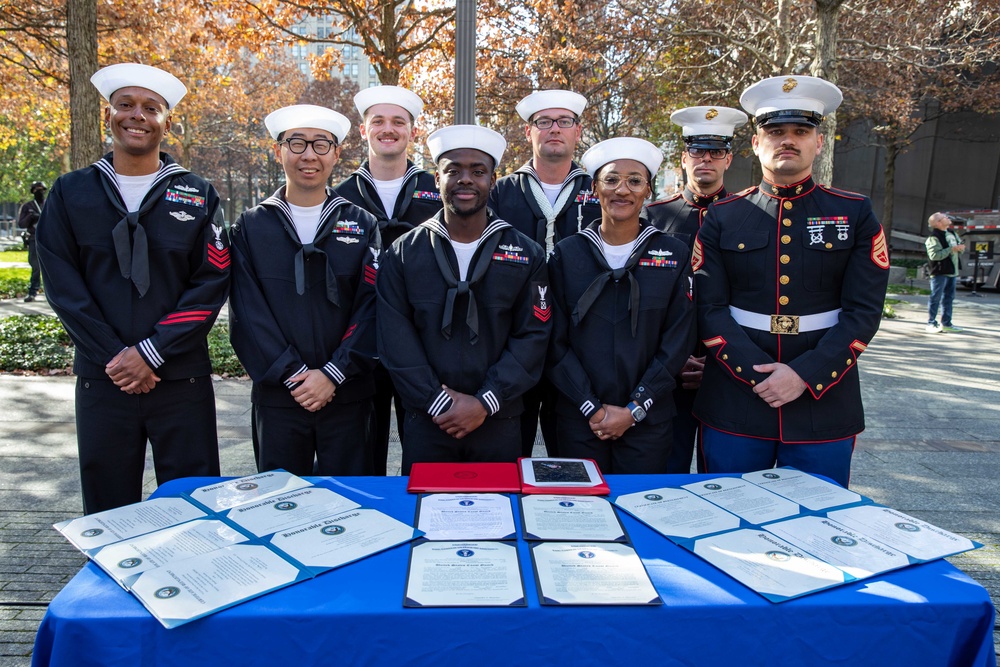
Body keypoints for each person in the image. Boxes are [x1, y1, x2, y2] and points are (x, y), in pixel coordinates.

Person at [36, 63, 229, 514]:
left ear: (167, 122)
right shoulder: (70, 192)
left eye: (150, 108)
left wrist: (152, 352)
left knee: (193, 508)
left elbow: (212, 281)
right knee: (107, 508)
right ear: (109, 117)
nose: (136, 115)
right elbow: (63, 285)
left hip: (180, 378)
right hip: (104, 379)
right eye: (125, 105)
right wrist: (116, 357)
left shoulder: (198, 194)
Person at [693, 75, 891, 488]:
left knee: (819, 521)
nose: (788, 140)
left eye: (801, 131)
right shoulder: (724, 216)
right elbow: (709, 309)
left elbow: (863, 312)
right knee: (726, 518)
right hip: (737, 395)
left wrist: (803, 375)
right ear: (755, 144)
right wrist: (758, 375)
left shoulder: (854, 213)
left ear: (819, 142)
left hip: (823, 397)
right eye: (775, 131)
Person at [376, 125, 551, 474]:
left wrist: (486, 401)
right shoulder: (404, 253)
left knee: (498, 522)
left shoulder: (527, 254)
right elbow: (394, 337)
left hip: (498, 417)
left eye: (478, 171)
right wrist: (436, 401)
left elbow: (534, 335)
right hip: (428, 420)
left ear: (493, 179)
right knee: (425, 518)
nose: (465, 180)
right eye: (453, 170)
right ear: (436, 178)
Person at [229, 104, 380, 477]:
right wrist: (294, 375)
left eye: (321, 144)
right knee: (280, 508)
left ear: (337, 153)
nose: (308, 155)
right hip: (280, 397)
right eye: (296, 143)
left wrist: (333, 373)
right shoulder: (251, 226)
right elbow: (248, 313)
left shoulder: (362, 223)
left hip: (346, 395)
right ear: (278, 150)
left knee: (352, 506)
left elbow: (372, 307)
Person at [547, 137, 694, 474]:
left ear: (648, 191)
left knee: (640, 511)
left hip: (648, 420)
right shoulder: (567, 254)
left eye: (634, 181)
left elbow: (678, 340)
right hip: (578, 419)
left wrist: (635, 408)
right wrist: (591, 408)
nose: (622, 190)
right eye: (611, 180)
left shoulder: (673, 253)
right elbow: (553, 340)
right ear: (595, 190)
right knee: (580, 515)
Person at [488, 89, 602, 458]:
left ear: (578, 131)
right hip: (514, 339)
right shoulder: (500, 192)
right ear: (528, 132)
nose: (555, 129)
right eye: (544, 122)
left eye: (564, 122)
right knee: (509, 446)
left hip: (578, 341)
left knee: (572, 452)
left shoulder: (600, 190)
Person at [334, 86, 442, 474]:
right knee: (360, 455)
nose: (388, 129)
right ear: (363, 130)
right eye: (378, 121)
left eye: (398, 121)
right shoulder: (339, 196)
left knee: (426, 452)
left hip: (424, 343)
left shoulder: (441, 192)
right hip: (357, 344)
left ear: (413, 131)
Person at [645, 106, 747, 473]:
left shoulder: (749, 215)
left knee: (719, 478)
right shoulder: (653, 217)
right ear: (683, 158)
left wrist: (719, 361)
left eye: (716, 151)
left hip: (729, 369)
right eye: (696, 150)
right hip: (663, 370)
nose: (706, 158)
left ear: (729, 159)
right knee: (664, 473)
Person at [924, 212, 965, 333]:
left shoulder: (952, 233)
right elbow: (934, 255)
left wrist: (960, 248)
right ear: (938, 223)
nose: (948, 218)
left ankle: (946, 323)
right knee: (935, 298)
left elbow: (958, 247)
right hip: (939, 272)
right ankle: (931, 323)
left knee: (949, 298)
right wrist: (951, 249)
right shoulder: (933, 237)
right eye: (945, 217)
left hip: (952, 272)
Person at [17, 181, 47, 302]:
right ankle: (33, 291)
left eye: (41, 189)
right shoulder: (28, 206)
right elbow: (21, 224)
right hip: (34, 238)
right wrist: (31, 216)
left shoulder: (49, 204)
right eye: (36, 190)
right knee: (35, 266)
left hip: (48, 238)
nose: (39, 192)